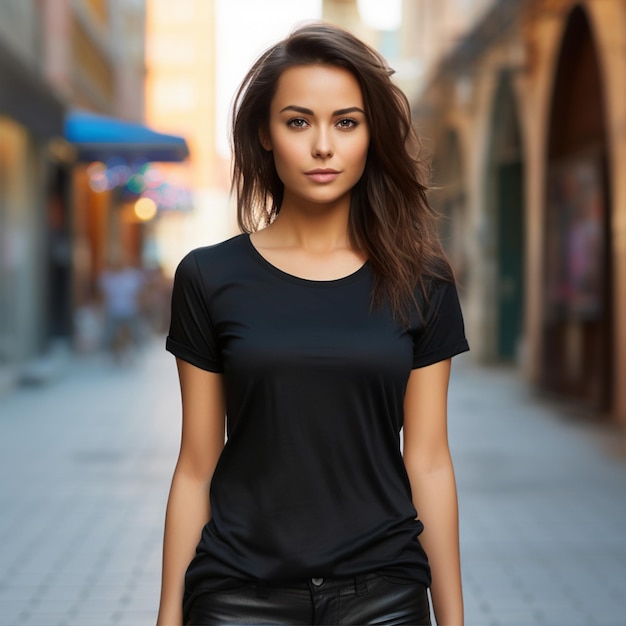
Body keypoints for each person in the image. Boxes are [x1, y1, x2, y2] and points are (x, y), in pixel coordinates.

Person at [157, 22, 469, 626]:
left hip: (384, 593)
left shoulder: (423, 280)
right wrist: (169, 615)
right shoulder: (208, 277)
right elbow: (196, 463)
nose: (323, 146)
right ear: (266, 136)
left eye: (346, 123)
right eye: (298, 121)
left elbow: (428, 459)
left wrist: (452, 618)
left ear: (370, 136)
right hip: (236, 594)